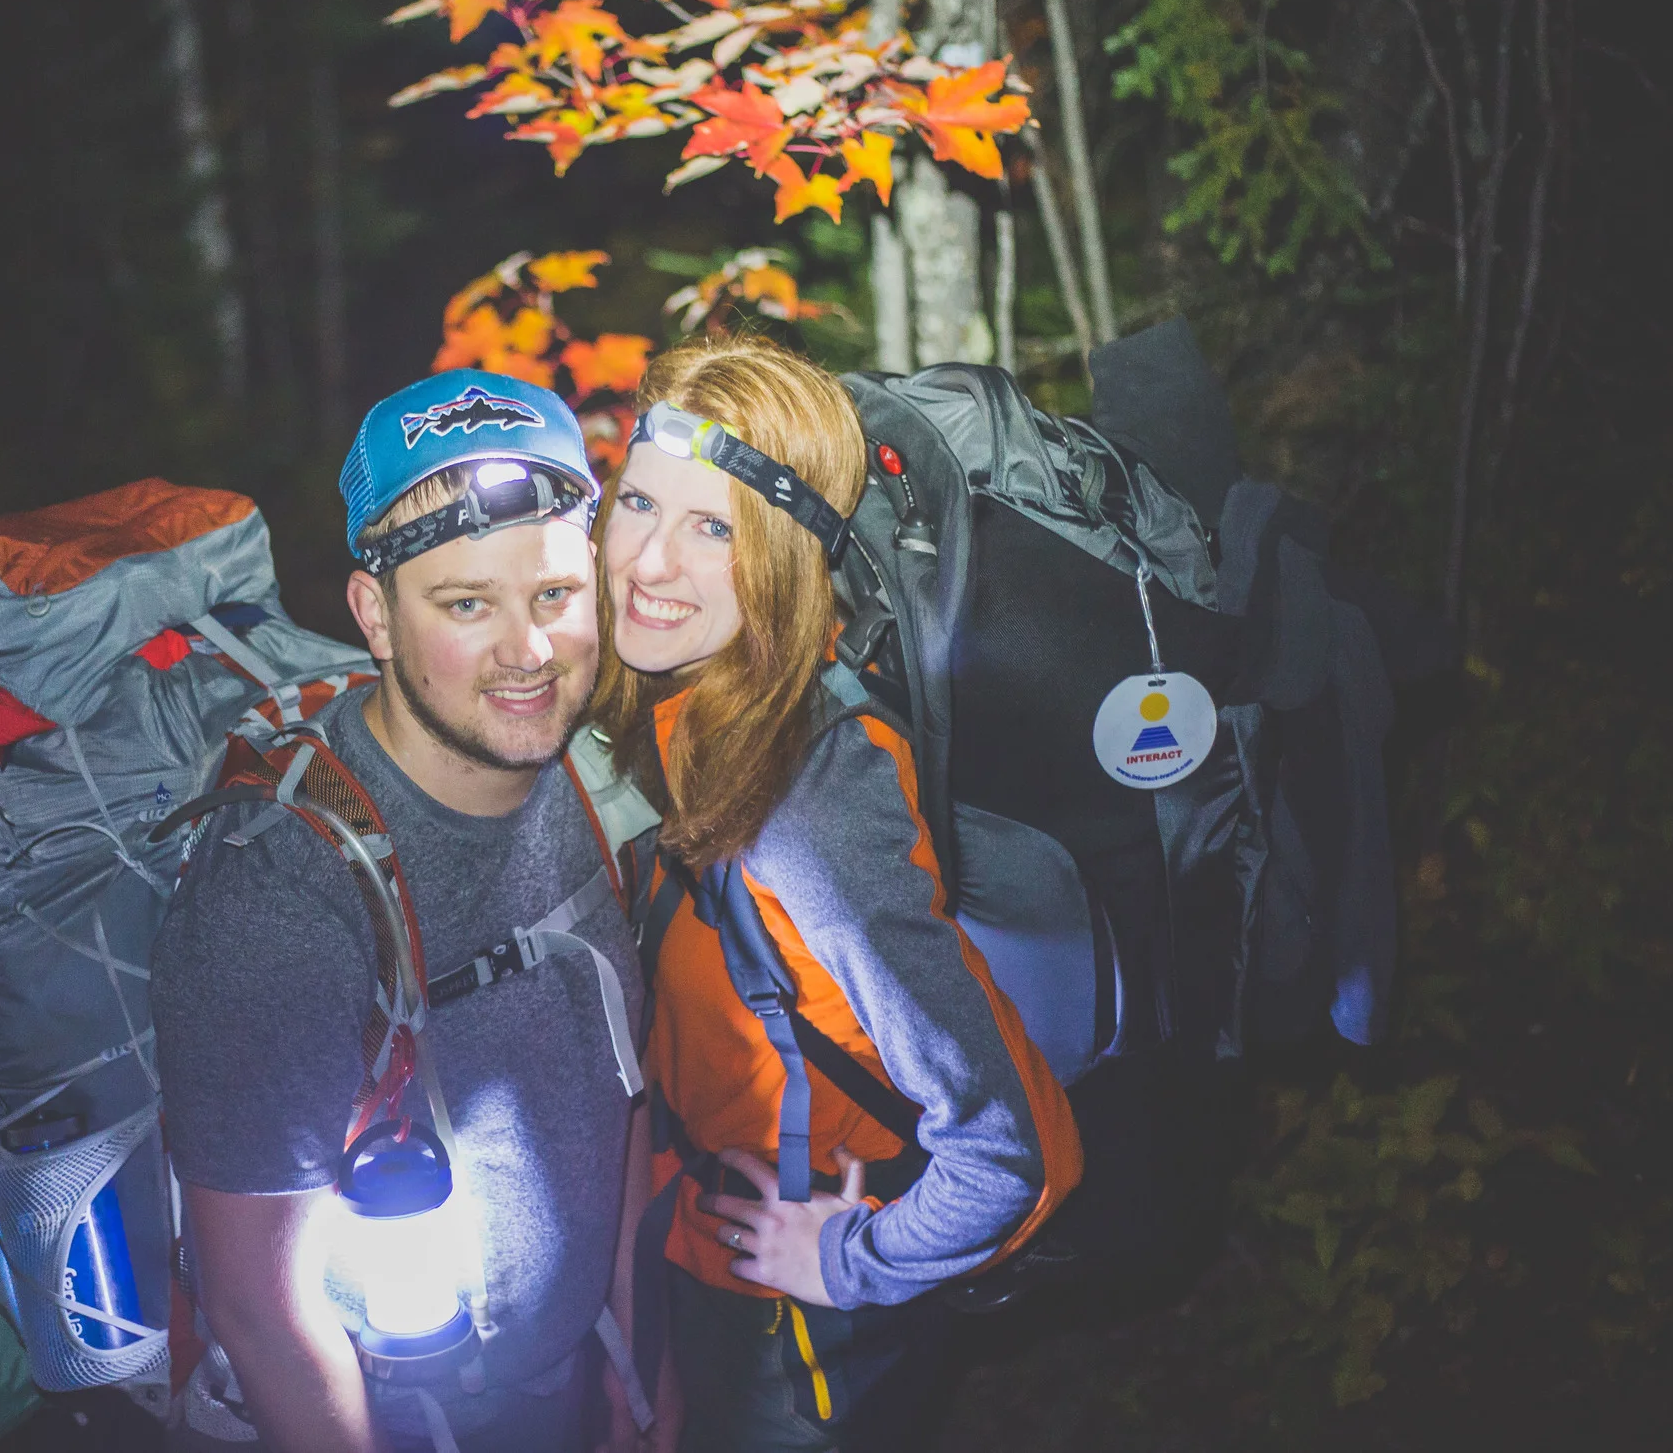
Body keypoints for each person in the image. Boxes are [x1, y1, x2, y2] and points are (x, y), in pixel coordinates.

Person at [591, 337, 1083, 1451]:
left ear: (782, 558)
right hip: (705, 1248)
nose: (648, 560)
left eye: (713, 528)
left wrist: (850, 1260)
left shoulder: (804, 798)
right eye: (639, 503)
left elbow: (1000, 1149)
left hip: (803, 1322)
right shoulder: (689, 706)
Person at [152, 369, 654, 1453]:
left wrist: (631, 1362)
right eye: (466, 604)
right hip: (390, 1414)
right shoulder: (283, 884)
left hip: (564, 1381)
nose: (528, 652)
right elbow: (257, 1303)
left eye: (555, 595)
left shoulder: (589, 780)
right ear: (375, 615)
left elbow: (616, 1087)